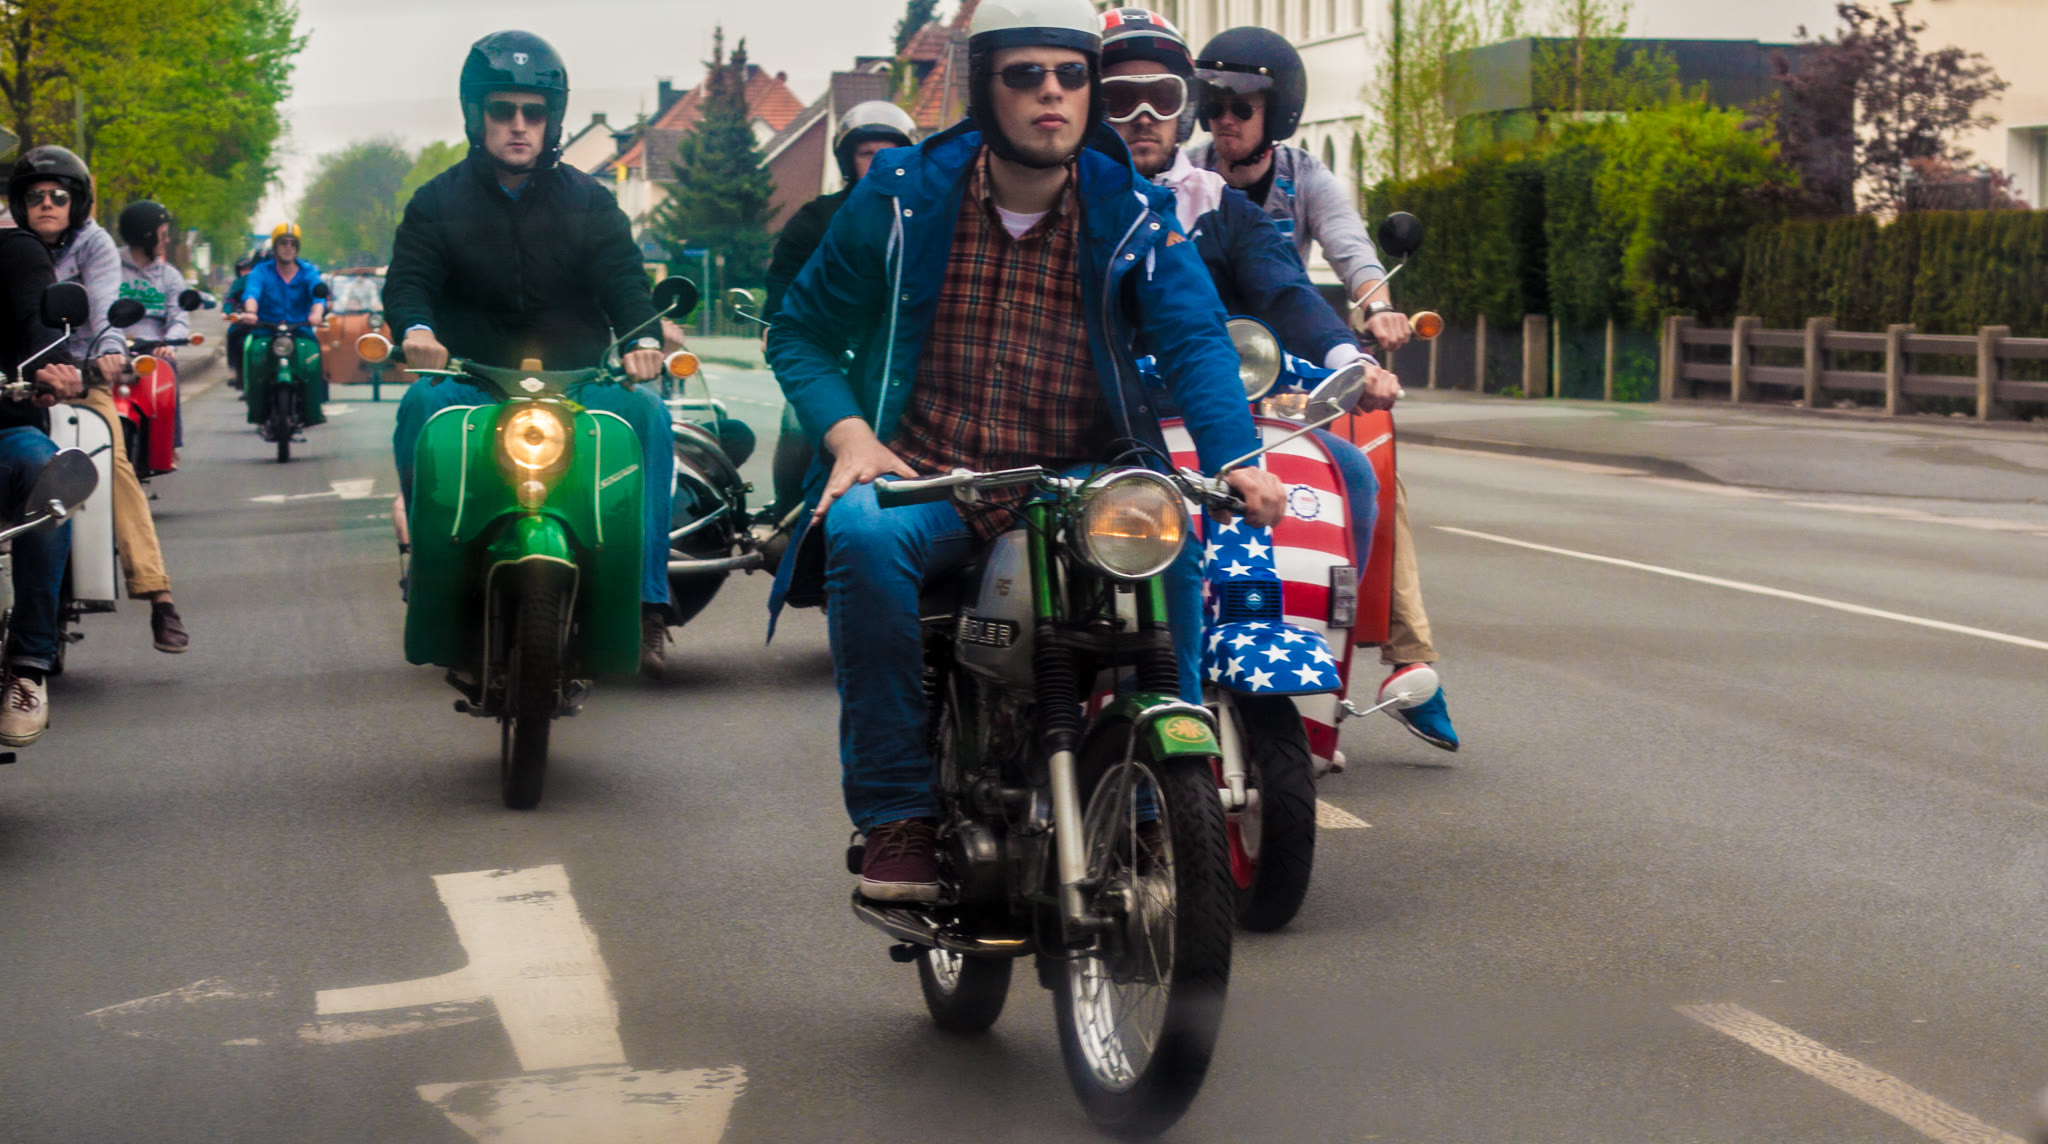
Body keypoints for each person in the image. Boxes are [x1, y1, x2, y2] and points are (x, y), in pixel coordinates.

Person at [766, 0, 1287, 903]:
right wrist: (851, 437)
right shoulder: (899, 196)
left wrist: (1237, 457)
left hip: (1076, 476)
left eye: (1071, 75)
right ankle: (897, 813)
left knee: (1168, 537)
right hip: (926, 471)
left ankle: (1156, 800)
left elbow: (1196, 340)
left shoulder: (1134, 208)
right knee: (860, 535)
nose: (1052, 93)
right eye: (1026, 75)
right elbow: (800, 333)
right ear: (985, 89)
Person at [1189, 28, 1458, 752]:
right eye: (1212, 103)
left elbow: (1349, 249)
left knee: (1366, 472)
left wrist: (1378, 308)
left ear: (1277, 112)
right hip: (1181, 380)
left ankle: (1392, 658)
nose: (1223, 119)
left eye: (1241, 106)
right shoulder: (1184, 177)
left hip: (1282, 379)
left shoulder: (1306, 179)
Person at [384, 29, 678, 677]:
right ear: (475, 115)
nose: (519, 125)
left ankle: (645, 603)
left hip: (579, 381)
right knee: (417, 410)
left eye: (534, 113)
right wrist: (416, 329)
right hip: (471, 380)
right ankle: (432, 578)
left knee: (650, 416)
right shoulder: (435, 203)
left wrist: (643, 340)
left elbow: (626, 282)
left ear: (553, 121)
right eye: (503, 110)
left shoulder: (591, 202)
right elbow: (409, 282)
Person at [1097, 7, 1391, 581]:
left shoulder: (1216, 203)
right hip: (1103, 423)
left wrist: (1349, 358)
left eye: (1162, 97)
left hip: (1212, 409)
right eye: (1120, 100)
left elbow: (1286, 291)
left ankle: (1351, 624)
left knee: (1352, 472)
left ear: (1183, 108)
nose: (1144, 116)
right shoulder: (1065, 203)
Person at [11, 146, 190, 653]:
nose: (47, 204)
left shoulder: (94, 244)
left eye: (58, 195)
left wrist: (111, 353)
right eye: (35, 196)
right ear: (20, 203)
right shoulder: (8, 241)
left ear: (77, 201)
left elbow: (107, 305)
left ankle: (158, 595)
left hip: (84, 377)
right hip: (18, 384)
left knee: (114, 466)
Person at [757, 101, 919, 525]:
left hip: (895, 358)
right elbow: (785, 279)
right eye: (868, 154)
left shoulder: (920, 219)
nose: (881, 163)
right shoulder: (816, 218)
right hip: (832, 350)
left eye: (891, 154)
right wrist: (774, 323)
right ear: (848, 161)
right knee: (799, 423)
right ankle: (788, 516)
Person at [0, 211, 84, 743]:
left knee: (50, 471)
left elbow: (41, 325)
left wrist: (54, 367)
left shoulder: (15, 250)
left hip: (4, 433)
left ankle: (28, 666)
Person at [117, 200, 190, 468]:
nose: (167, 240)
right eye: (163, 234)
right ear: (146, 235)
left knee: (168, 366)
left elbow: (179, 316)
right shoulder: (110, 266)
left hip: (153, 347)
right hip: (114, 345)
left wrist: (169, 343)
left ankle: (169, 444)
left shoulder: (170, 276)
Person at [238, 221, 328, 431]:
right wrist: (250, 312)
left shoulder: (308, 271)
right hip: (266, 331)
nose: (288, 247)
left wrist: (316, 314)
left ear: (297, 247)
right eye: (283, 243)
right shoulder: (261, 271)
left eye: (292, 243)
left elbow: (318, 295)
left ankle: (313, 410)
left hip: (301, 331)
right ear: (275, 246)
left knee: (312, 359)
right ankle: (257, 410)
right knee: (255, 355)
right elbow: (252, 293)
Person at [224, 254, 255, 390]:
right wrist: (227, 313)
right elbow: (229, 301)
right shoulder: (237, 285)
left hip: (261, 323)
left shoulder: (261, 283)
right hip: (241, 324)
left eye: (249, 269)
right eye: (243, 270)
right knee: (232, 334)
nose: (246, 272)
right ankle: (234, 370)